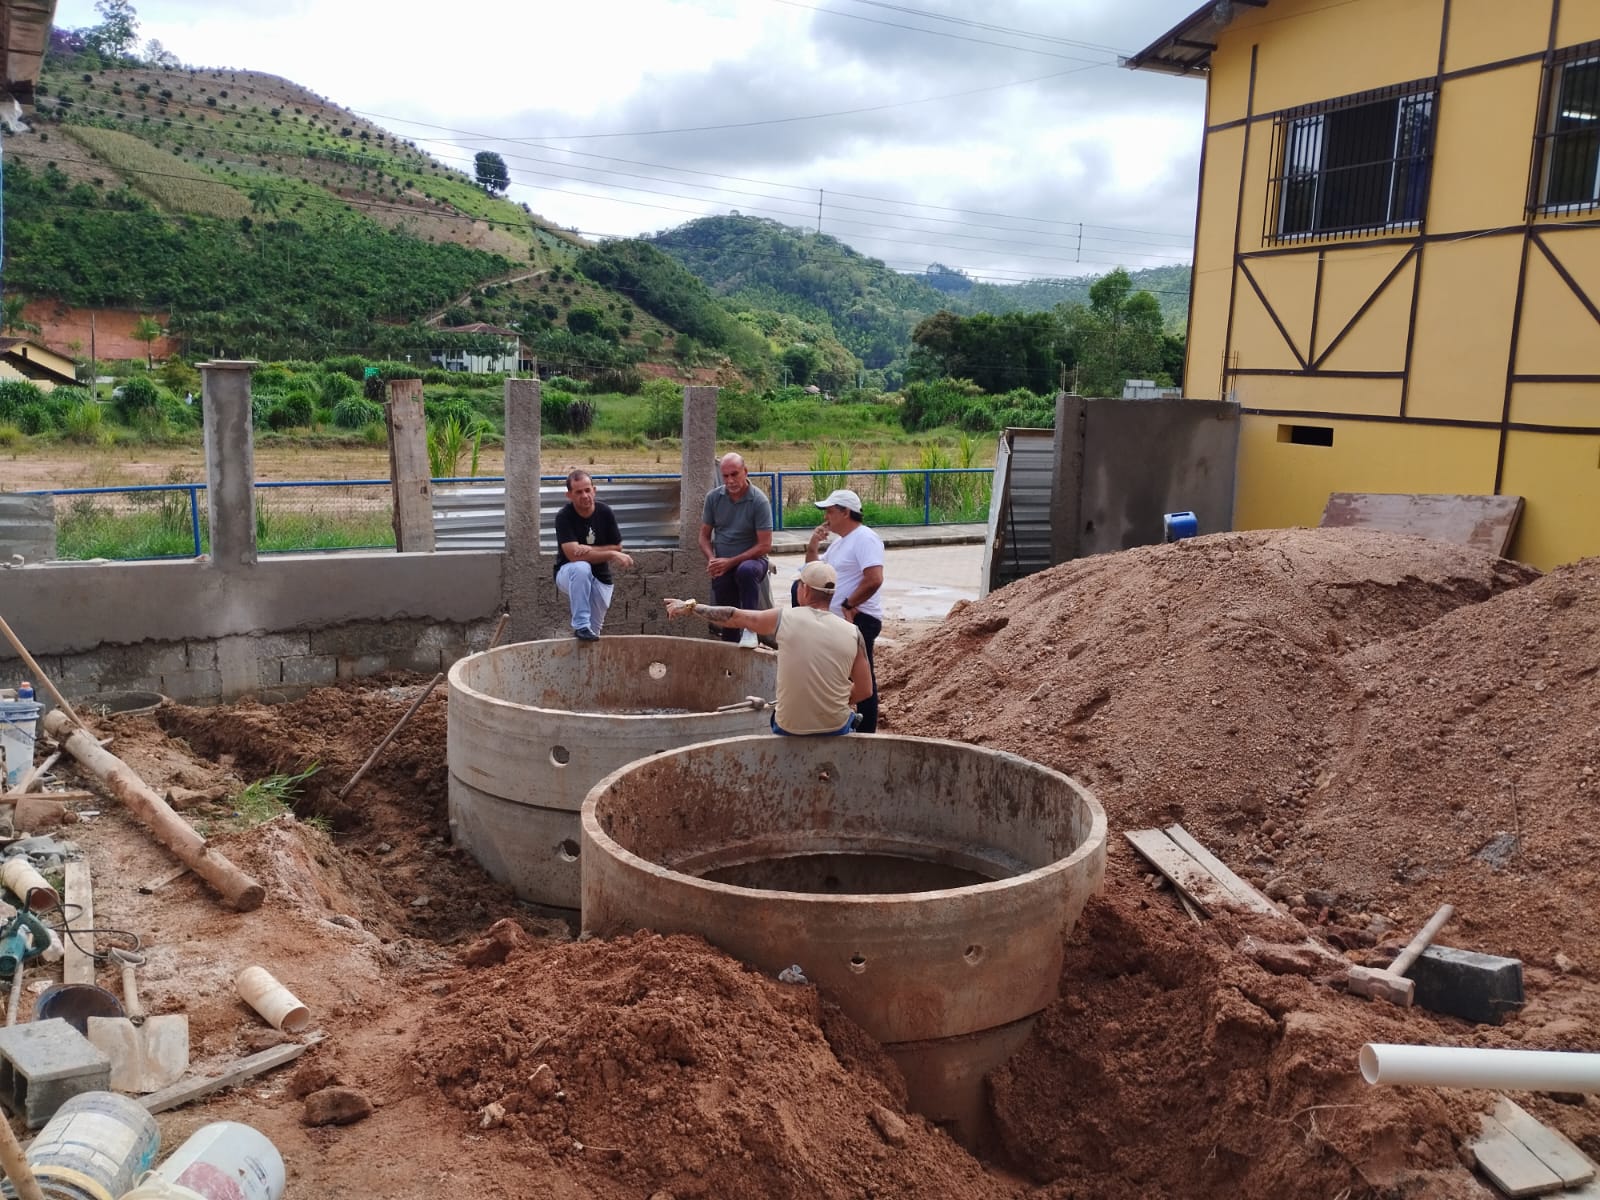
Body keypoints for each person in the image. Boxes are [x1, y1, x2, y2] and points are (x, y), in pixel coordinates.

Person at [664, 561, 871, 736]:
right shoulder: (854, 633)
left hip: (789, 727)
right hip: (836, 727)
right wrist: (832, 701)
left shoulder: (785, 618)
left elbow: (734, 616)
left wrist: (690, 606)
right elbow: (865, 690)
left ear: (805, 590)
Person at [803, 488, 885, 732]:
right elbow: (812, 574)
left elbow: (874, 578)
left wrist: (849, 604)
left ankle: (867, 731)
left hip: (859, 618)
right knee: (840, 676)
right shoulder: (840, 544)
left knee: (862, 679)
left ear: (846, 512)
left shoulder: (865, 538)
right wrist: (813, 545)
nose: (826, 516)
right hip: (840, 621)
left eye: (830, 511)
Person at [699, 452, 772, 650]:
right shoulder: (714, 498)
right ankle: (729, 643)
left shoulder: (759, 501)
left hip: (754, 561)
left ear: (745, 472)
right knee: (723, 590)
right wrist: (712, 559)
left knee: (745, 571)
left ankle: (750, 628)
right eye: (726, 476)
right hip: (723, 562)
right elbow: (704, 536)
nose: (730, 480)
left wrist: (730, 562)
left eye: (735, 474)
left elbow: (765, 545)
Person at [553, 468, 633, 641]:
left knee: (592, 636)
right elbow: (574, 556)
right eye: (578, 492)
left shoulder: (605, 512)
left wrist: (590, 549)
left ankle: (585, 660)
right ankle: (580, 624)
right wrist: (609, 553)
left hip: (601, 579)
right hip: (568, 573)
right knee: (581, 568)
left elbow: (617, 547)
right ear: (569, 495)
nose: (584, 495)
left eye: (587, 490)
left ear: (594, 490)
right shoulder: (564, 517)